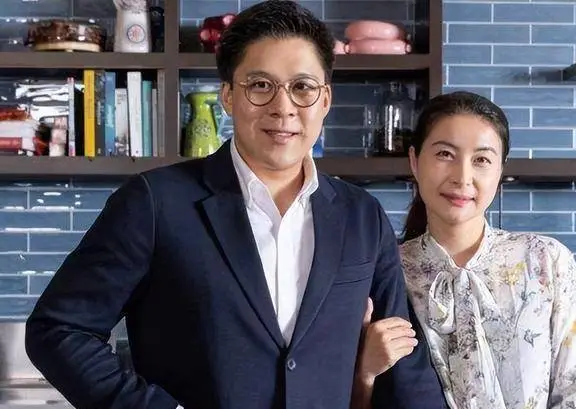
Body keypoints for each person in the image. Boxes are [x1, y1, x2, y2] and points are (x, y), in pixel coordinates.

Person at [24, 1, 445, 409]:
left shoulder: (362, 216)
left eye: (302, 87)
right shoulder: (154, 203)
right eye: (260, 85)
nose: (283, 108)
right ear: (228, 95)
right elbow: (58, 330)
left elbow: (404, 366)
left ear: (325, 100)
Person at [353, 91, 576, 409]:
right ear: (414, 161)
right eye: (445, 154)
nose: (462, 177)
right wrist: (365, 372)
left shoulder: (545, 260)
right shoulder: (387, 272)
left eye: (482, 160)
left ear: (499, 171)